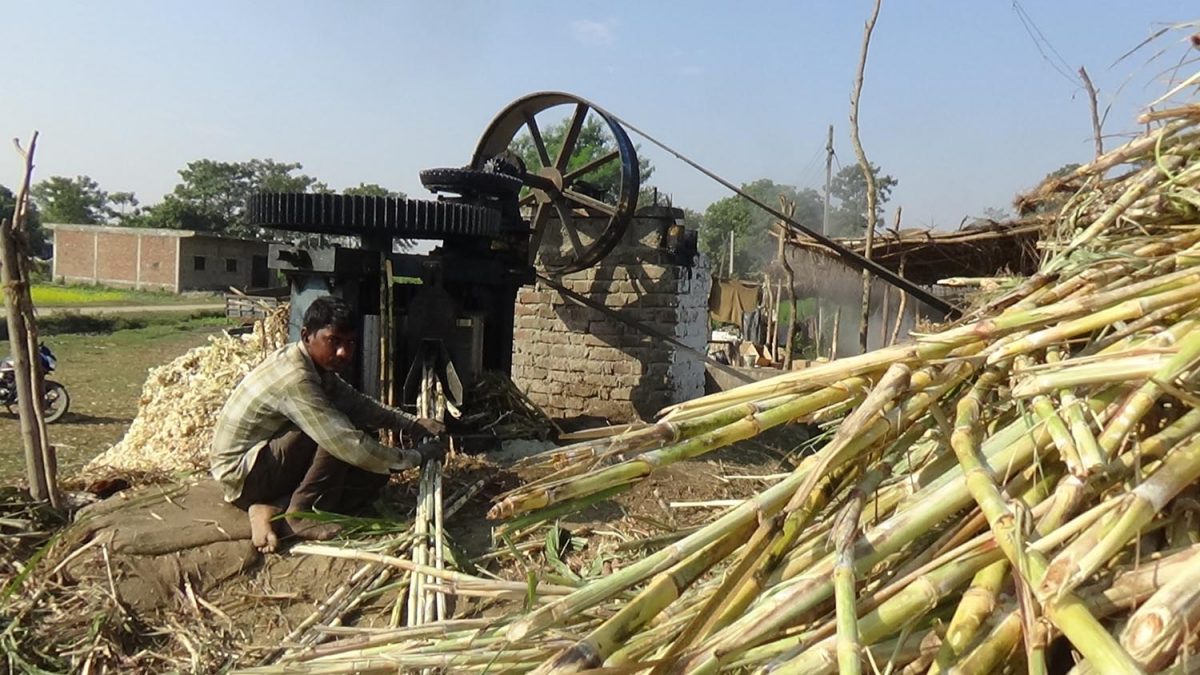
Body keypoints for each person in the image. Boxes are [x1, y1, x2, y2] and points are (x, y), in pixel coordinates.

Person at [210, 295, 445, 553]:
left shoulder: (312, 364)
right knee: (340, 433)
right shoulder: (296, 379)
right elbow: (346, 442)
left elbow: (357, 403)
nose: (344, 352)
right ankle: (298, 515)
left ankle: (273, 506)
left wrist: (412, 423)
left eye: (350, 343)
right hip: (244, 476)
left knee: (369, 479)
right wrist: (415, 457)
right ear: (307, 335)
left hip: (261, 466)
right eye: (333, 341)